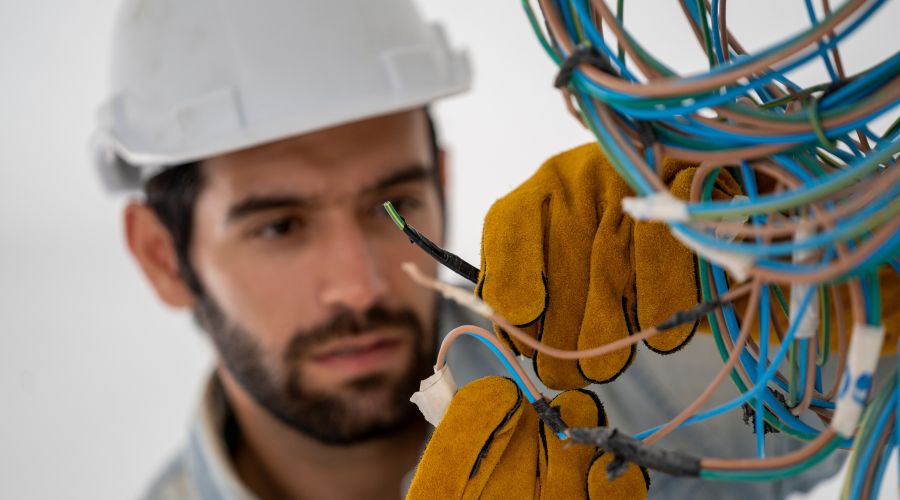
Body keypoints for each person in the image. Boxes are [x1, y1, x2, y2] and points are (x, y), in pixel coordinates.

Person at [93, 1, 843, 498]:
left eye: (395, 203)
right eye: (280, 226)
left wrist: (811, 259)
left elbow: (863, 377)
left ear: (441, 183)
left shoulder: (645, 363)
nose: (359, 286)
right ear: (164, 256)